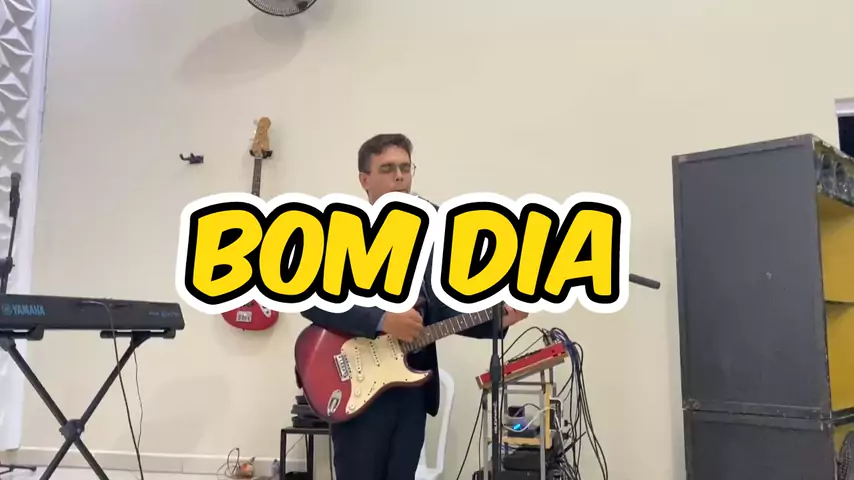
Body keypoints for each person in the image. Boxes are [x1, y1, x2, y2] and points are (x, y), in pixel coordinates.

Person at [300, 133, 529, 480]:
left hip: (412, 390)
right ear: (364, 180)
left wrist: (497, 319)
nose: (399, 177)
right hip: (357, 389)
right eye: (388, 169)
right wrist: (381, 320)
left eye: (405, 168)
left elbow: (444, 312)